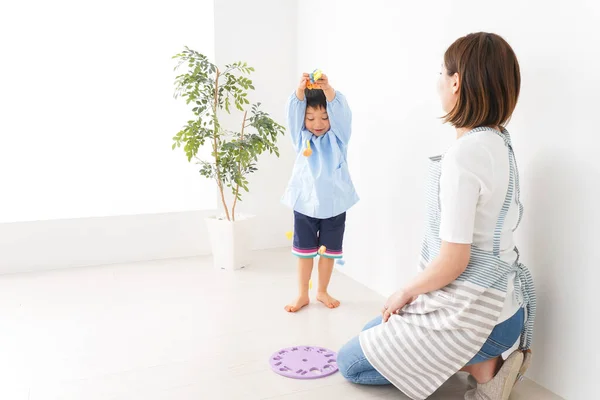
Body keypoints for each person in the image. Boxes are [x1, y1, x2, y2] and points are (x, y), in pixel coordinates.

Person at [336, 32, 536, 400]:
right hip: (508, 311)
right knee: (372, 330)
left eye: (441, 75)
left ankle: (484, 367)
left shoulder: (464, 156)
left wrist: (405, 292)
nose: (439, 83)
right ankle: (484, 366)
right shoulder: (499, 142)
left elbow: (454, 261)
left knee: (350, 362)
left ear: (456, 82)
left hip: (476, 318)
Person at [281, 73, 359, 313]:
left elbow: (342, 114)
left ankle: (322, 290)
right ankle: (302, 294)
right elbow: (293, 112)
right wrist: (300, 91)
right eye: (311, 117)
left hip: (334, 205)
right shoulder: (301, 138)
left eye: (324, 117)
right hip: (305, 204)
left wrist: (329, 90)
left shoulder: (338, 138)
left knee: (329, 253)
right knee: (304, 254)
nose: (317, 123)